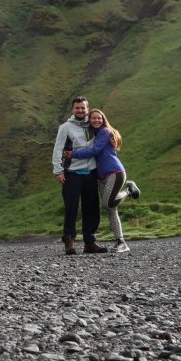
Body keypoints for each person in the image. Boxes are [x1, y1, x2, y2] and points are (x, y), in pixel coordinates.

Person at [64, 109, 141, 254]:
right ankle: (121, 242)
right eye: (93, 118)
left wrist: (73, 154)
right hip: (101, 176)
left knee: (108, 203)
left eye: (99, 118)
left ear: (103, 119)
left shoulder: (105, 132)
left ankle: (129, 190)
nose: (96, 120)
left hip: (114, 172)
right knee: (111, 209)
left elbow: (95, 150)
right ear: (89, 120)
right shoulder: (93, 133)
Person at [52, 96, 104, 254]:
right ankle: (69, 242)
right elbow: (57, 149)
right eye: (77, 108)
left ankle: (90, 242)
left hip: (91, 173)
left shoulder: (93, 125)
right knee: (71, 207)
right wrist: (57, 170)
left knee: (91, 208)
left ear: (87, 109)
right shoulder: (65, 127)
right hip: (71, 173)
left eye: (83, 108)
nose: (80, 110)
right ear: (73, 109)